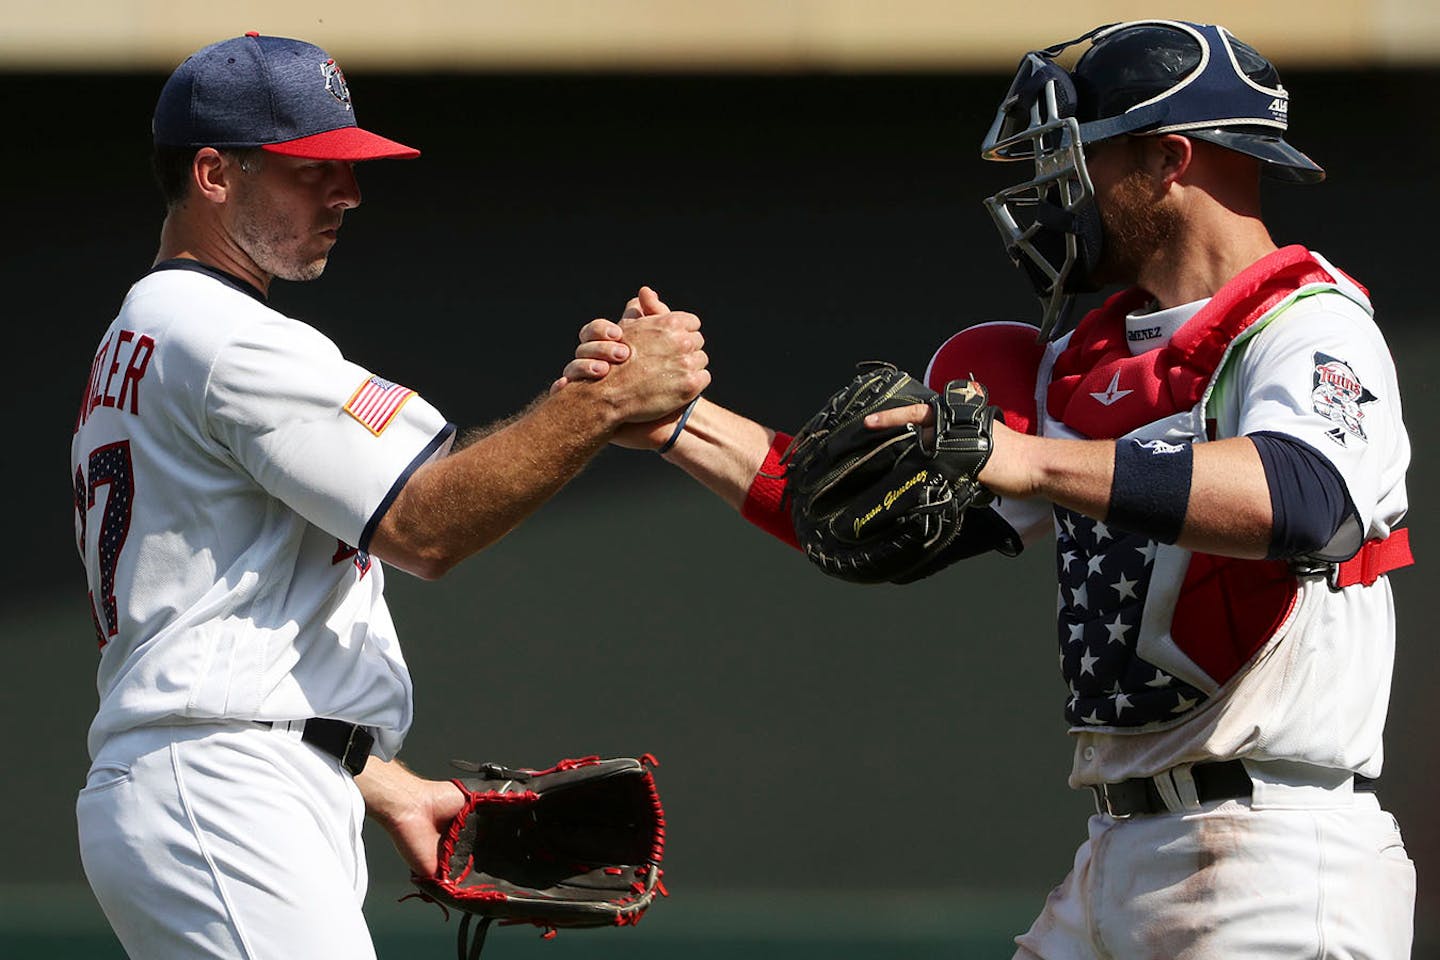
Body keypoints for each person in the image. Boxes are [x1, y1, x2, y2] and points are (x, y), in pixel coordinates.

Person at [560, 19, 1415, 958]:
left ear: (1170, 157)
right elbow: (855, 519)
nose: (1052, 191)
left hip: (1276, 851)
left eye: (1075, 156)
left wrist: (1027, 458)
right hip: (1119, 844)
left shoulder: (1306, 322)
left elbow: (1305, 499)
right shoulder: (1080, 365)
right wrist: (675, 420)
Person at [70, 33, 708, 959]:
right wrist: (604, 401)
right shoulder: (225, 337)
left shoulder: (151, 329)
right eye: (311, 170)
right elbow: (426, 524)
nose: (348, 193)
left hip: (221, 775)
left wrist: (381, 781)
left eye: (348, 167)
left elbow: (241, 616)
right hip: (223, 785)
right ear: (213, 172)